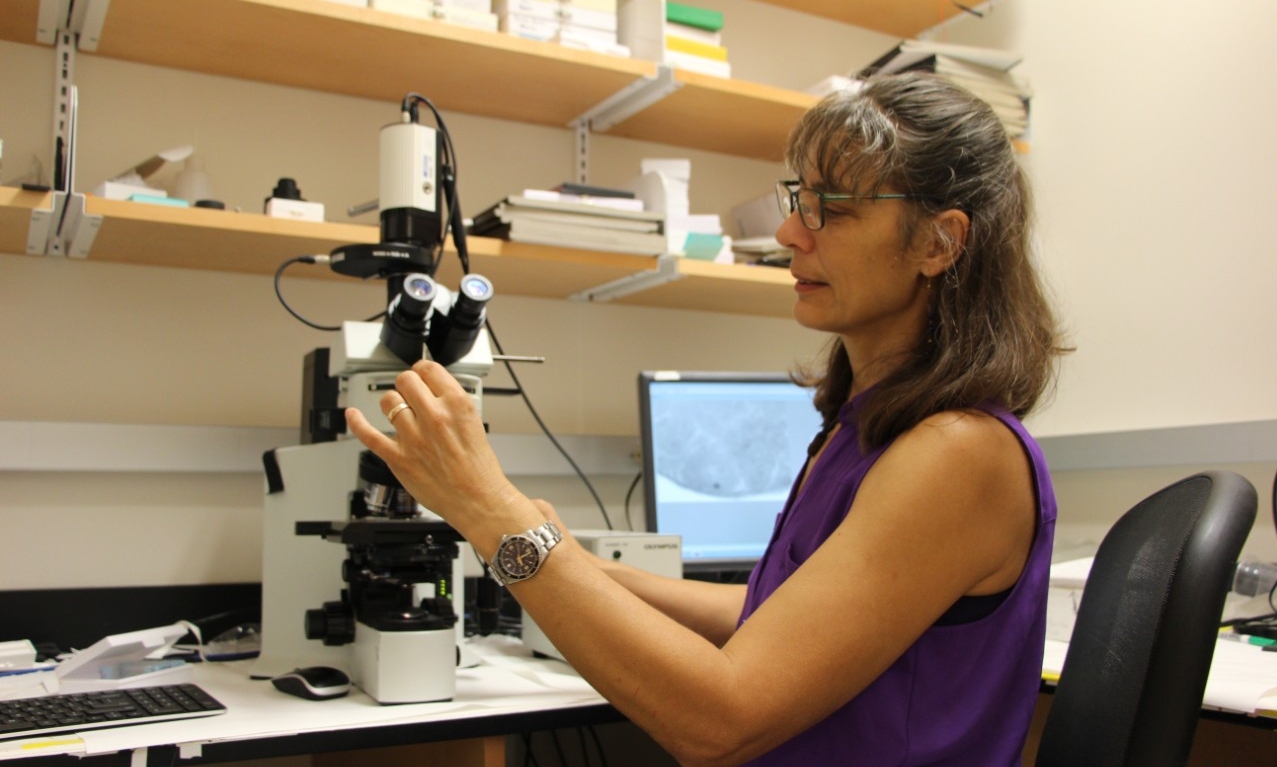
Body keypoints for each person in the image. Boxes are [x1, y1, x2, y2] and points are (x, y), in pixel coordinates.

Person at [346, 71, 1069, 767]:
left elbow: (720, 720)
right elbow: (770, 614)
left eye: (832, 207)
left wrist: (492, 512)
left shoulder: (957, 454)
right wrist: (577, 563)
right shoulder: (862, 427)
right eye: (797, 197)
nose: (789, 230)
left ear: (937, 242)